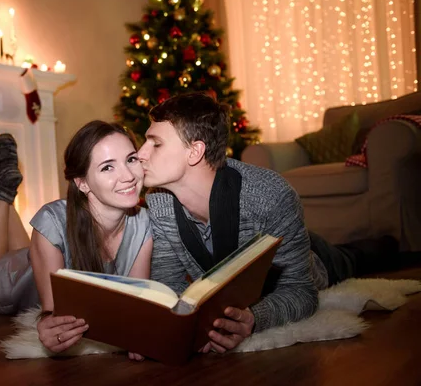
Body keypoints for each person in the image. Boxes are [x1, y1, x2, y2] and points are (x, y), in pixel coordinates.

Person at [137, 92, 409, 355]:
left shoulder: (269, 195)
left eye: (155, 143)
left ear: (195, 151)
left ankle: (387, 243)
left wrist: (255, 318)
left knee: (353, 259)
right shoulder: (159, 202)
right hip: (271, 244)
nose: (141, 153)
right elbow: (170, 286)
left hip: (317, 260)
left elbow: (302, 291)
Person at [0, 121, 152, 358]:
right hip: (16, 278)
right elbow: (53, 314)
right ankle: (2, 194)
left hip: (36, 253)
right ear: (82, 183)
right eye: (107, 167)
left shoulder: (143, 222)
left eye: (131, 159)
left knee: (30, 248)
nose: (128, 176)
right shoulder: (52, 220)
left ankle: (3, 186)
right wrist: (49, 324)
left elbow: (138, 304)